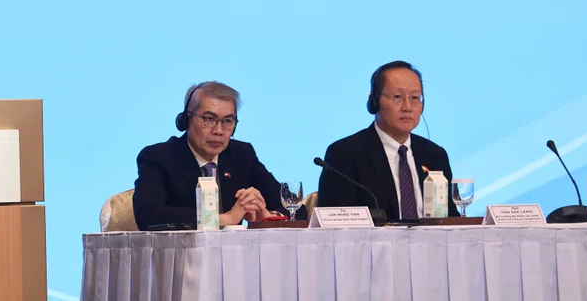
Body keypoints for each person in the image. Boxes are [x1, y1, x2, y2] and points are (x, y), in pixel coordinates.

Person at [132, 81, 305, 230]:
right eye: (209, 119)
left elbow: (297, 210)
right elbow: (148, 215)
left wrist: (267, 216)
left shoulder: (242, 155)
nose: (219, 131)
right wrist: (225, 218)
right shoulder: (159, 157)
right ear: (186, 120)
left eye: (227, 121)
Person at [316, 61, 459, 220]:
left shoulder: (434, 155)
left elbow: (450, 217)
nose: (407, 107)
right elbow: (335, 223)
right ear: (374, 101)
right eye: (398, 97)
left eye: (414, 98)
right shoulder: (346, 154)